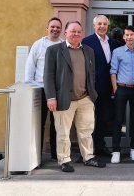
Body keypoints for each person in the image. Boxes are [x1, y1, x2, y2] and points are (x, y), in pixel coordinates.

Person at [44, 21, 105, 172]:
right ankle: (64, 160)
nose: (75, 34)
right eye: (72, 31)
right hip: (64, 99)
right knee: (63, 132)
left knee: (86, 130)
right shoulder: (54, 50)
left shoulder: (89, 51)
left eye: (78, 32)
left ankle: (88, 157)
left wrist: (92, 94)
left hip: (85, 98)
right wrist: (51, 97)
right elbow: (48, 76)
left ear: (82, 34)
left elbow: (91, 73)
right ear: (66, 33)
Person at [25, 17, 64, 161]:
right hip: (40, 89)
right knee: (39, 124)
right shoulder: (38, 45)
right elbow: (30, 66)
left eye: (58, 27)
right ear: (47, 28)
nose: (55, 29)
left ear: (61, 30)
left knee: (57, 124)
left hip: (58, 90)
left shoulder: (63, 45)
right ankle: (37, 155)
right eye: (52, 27)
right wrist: (32, 87)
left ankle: (56, 154)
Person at [82, 15, 118, 157]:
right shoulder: (87, 42)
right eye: (99, 24)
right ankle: (88, 150)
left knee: (103, 118)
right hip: (91, 88)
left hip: (107, 89)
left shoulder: (113, 43)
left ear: (108, 26)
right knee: (88, 120)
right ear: (94, 25)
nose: (102, 26)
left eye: (104, 24)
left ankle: (100, 146)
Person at [110, 26, 134, 163]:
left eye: (131, 34)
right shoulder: (117, 52)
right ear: (124, 37)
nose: (129, 37)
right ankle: (116, 151)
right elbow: (113, 71)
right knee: (118, 120)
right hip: (121, 89)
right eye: (126, 35)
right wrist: (115, 89)